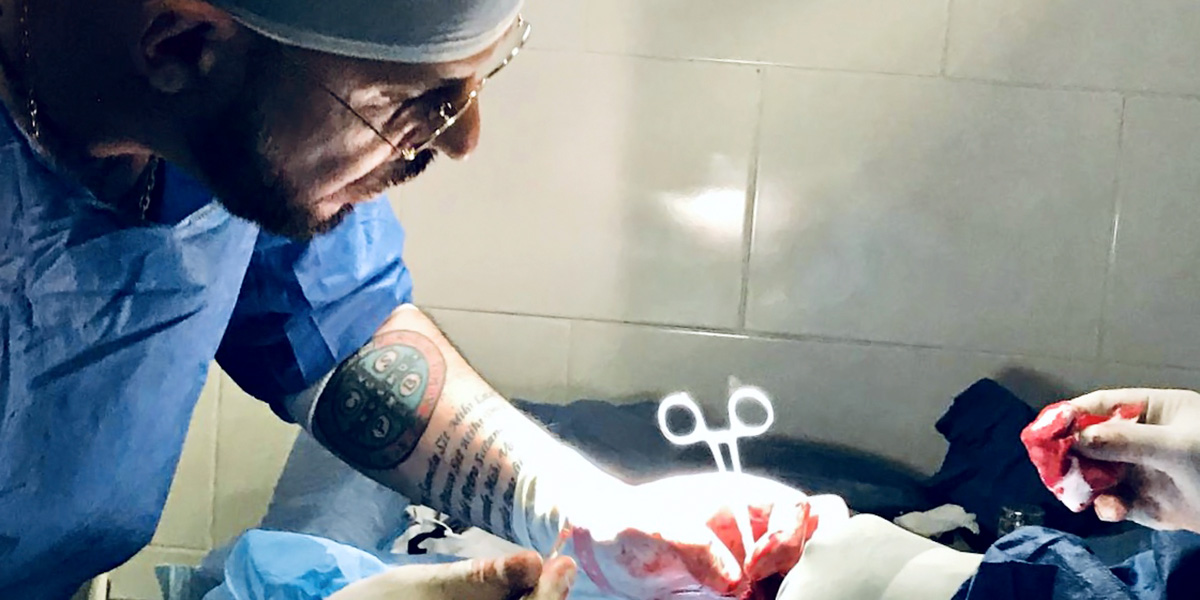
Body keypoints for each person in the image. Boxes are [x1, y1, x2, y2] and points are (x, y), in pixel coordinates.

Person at [0, 1, 813, 598]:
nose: (463, 139)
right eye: (415, 101)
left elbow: (345, 341)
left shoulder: (223, 145)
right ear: (181, 44)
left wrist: (588, 510)